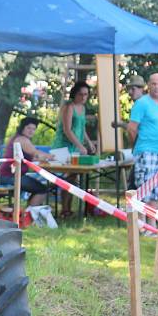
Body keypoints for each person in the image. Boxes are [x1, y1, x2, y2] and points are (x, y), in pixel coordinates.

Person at [127, 73, 158, 233]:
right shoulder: (142, 103)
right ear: (148, 86)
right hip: (146, 152)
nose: (156, 87)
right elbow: (131, 128)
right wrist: (137, 146)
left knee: (156, 192)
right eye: (153, 84)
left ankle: (152, 226)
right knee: (144, 190)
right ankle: (141, 226)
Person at [52, 81, 96, 216]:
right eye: (80, 94)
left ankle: (68, 208)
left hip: (75, 146)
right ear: (74, 94)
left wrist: (89, 143)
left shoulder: (82, 108)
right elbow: (67, 129)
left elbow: (81, 128)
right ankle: (64, 209)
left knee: (73, 176)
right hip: (63, 147)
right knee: (66, 176)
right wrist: (80, 145)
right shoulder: (68, 107)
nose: (83, 97)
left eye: (86, 94)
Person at [0, 117, 51, 206]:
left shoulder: (19, 138)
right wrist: (53, 156)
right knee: (42, 189)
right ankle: (30, 215)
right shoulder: (22, 139)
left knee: (39, 188)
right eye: (28, 128)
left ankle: (29, 212)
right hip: (10, 177)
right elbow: (35, 153)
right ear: (22, 128)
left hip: (11, 175)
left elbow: (33, 157)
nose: (31, 131)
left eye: (34, 129)